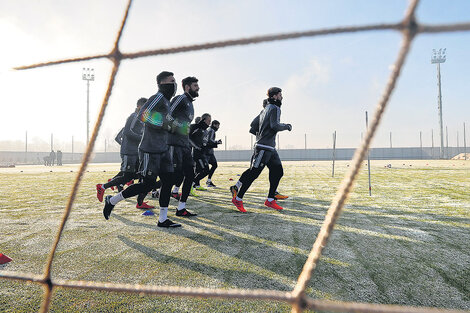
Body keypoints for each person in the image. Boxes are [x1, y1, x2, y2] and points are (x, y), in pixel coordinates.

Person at [102, 71, 180, 228]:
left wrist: (180, 128)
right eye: (172, 81)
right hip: (150, 149)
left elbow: (170, 122)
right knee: (147, 185)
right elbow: (143, 115)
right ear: (162, 84)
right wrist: (163, 124)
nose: (175, 84)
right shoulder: (157, 97)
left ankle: (163, 219)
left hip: (163, 149)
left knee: (168, 181)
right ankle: (111, 200)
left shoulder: (167, 103)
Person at [229, 87, 292, 212]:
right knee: (254, 173)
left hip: (270, 148)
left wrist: (260, 135)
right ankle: (238, 198)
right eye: (280, 95)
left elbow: (253, 126)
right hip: (263, 147)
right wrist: (287, 126)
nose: (282, 97)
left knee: (278, 171)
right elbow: (275, 125)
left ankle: (270, 200)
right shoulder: (275, 108)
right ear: (274, 96)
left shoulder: (264, 110)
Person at [96, 97, 154, 210]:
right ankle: (102, 187)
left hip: (136, 152)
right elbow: (127, 132)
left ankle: (140, 202)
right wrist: (141, 139)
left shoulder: (142, 120)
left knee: (141, 175)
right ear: (139, 106)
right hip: (129, 152)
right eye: (145, 107)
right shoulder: (133, 117)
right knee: (128, 176)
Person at [167, 76, 200, 216]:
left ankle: (181, 208)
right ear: (187, 87)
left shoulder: (190, 103)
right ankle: (150, 189)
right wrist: (179, 127)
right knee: (173, 177)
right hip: (174, 144)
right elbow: (167, 115)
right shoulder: (180, 98)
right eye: (195, 85)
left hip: (185, 145)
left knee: (190, 175)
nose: (198, 88)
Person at [190, 113, 211, 190]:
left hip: (203, 154)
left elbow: (205, 143)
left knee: (204, 171)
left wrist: (214, 143)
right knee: (205, 170)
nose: (210, 123)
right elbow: (189, 138)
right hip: (197, 154)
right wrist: (196, 147)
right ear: (204, 120)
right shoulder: (197, 129)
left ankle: (194, 184)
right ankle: (192, 184)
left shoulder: (206, 131)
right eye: (209, 121)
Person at [204, 120, 222, 187]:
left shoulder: (210, 130)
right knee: (204, 169)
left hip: (209, 152)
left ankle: (208, 181)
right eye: (218, 125)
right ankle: (195, 182)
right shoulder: (211, 130)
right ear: (214, 124)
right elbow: (209, 140)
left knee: (214, 165)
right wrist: (217, 142)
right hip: (208, 152)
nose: (218, 127)